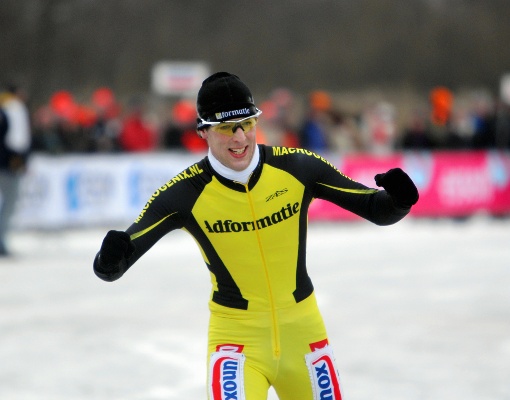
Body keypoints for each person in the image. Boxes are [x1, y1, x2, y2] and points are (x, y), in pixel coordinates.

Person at [93, 72, 419, 399]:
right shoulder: (184, 194)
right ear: (203, 131)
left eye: (247, 124)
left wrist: (399, 200)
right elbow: (116, 263)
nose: (240, 138)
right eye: (225, 128)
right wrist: (109, 259)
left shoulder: (298, 169)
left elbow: (376, 209)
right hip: (237, 342)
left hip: (303, 335)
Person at [0, 84, 32, 256]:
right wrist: (19, 160)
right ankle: (1, 242)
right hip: (8, 164)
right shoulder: (15, 108)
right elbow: (17, 140)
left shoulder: (4, 107)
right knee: (9, 204)